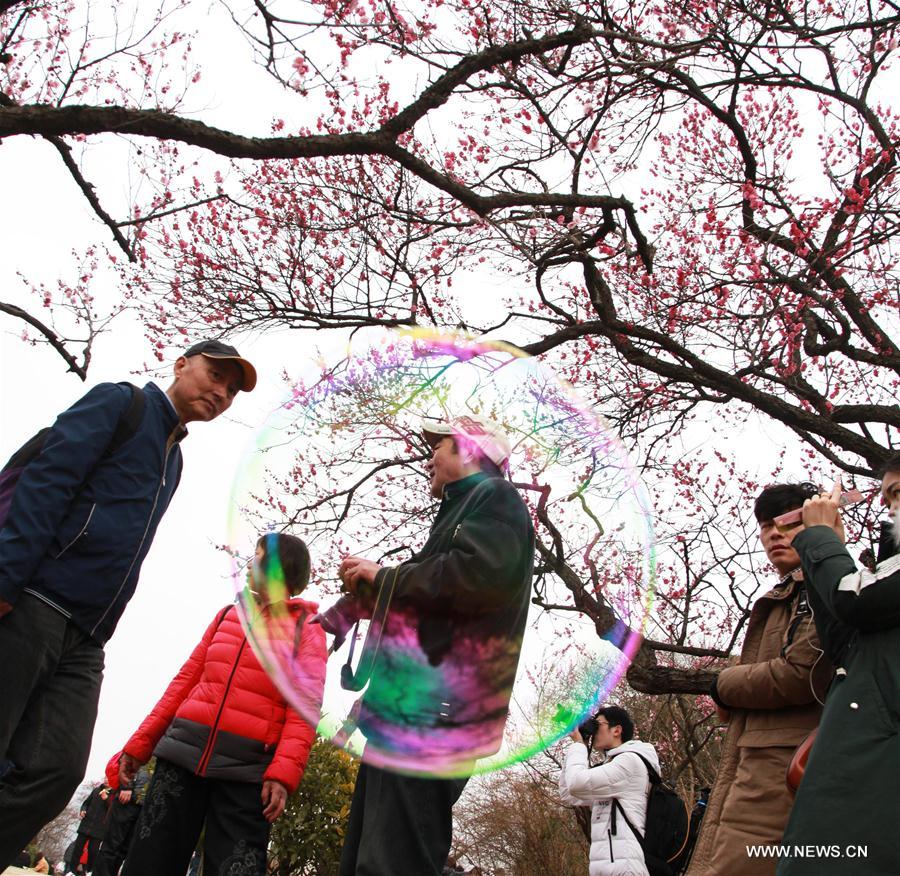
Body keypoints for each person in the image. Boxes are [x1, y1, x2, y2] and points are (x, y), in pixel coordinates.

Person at [0, 339, 256, 868]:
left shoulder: (175, 460)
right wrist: (5, 581)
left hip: (87, 636)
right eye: (216, 375)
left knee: (57, 770)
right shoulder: (120, 403)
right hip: (33, 602)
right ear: (181, 365)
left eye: (232, 390)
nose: (222, 393)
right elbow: (45, 484)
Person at [317, 414, 535, 876]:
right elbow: (427, 591)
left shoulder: (497, 497)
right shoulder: (461, 509)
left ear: (469, 450)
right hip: (407, 711)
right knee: (366, 860)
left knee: (394, 862)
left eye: (438, 446)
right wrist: (346, 609)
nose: (428, 458)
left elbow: (474, 578)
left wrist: (385, 575)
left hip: (434, 715)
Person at [117, 532, 327, 876]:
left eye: (257, 556)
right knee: (148, 863)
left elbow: (304, 708)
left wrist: (283, 775)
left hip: (246, 771)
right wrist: (140, 744)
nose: (249, 564)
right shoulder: (228, 615)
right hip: (182, 756)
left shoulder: (308, 629)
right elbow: (183, 683)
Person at [685, 483, 831, 876]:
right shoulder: (785, 594)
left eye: (789, 523)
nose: (774, 534)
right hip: (758, 765)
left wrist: (723, 685)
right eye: (766, 526)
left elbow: (802, 673)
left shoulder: (822, 585)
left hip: (784, 771)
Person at [777, 458, 900, 875]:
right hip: (850, 780)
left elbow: (855, 602)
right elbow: (842, 641)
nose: (886, 506)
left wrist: (820, 540)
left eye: (898, 493)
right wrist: (827, 547)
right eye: (885, 495)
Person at [559, 705, 660, 876]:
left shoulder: (629, 762)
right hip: (607, 867)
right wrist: (580, 745)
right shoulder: (612, 766)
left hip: (626, 868)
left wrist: (578, 745)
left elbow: (576, 784)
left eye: (598, 725)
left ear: (617, 730)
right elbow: (568, 793)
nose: (594, 730)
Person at [91, 752, 151, 876]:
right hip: (129, 798)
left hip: (145, 804)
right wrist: (126, 786)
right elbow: (129, 756)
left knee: (126, 850)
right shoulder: (149, 742)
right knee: (112, 846)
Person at [68, 783, 112, 874]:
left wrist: (106, 799)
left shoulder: (114, 794)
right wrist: (83, 810)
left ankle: (89, 871)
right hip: (86, 824)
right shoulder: (96, 790)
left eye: (108, 778)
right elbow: (86, 803)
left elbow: (113, 810)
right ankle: (72, 871)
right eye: (106, 777)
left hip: (99, 829)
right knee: (77, 849)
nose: (106, 780)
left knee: (93, 852)